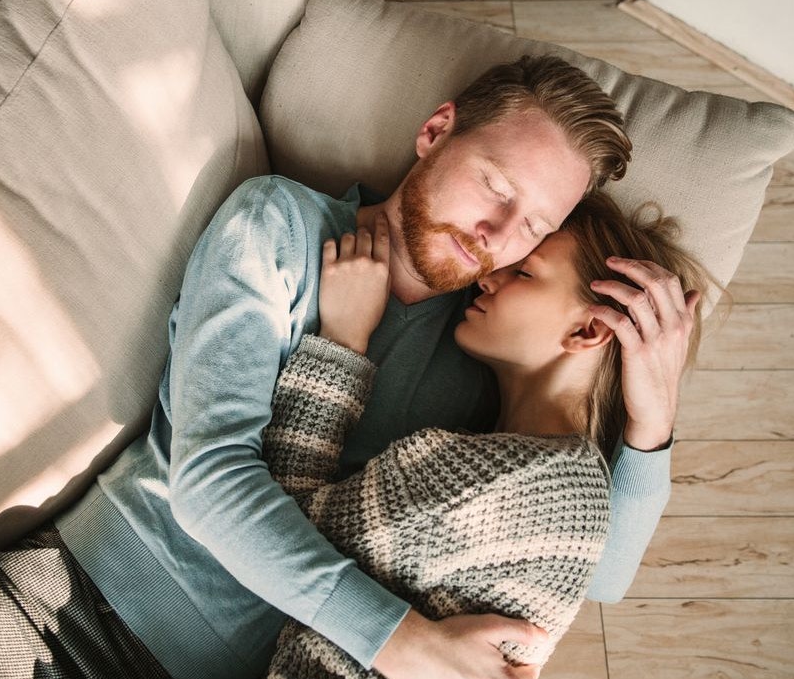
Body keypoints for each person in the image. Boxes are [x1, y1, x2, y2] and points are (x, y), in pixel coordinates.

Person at [0, 56, 685, 679]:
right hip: (72, 611)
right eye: (494, 186)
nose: (498, 235)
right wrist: (402, 644)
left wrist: (652, 415)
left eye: (536, 225)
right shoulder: (281, 229)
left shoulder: (487, 351)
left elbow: (591, 563)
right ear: (435, 134)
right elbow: (209, 481)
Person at [261, 192, 709, 678]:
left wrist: (343, 340)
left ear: (588, 330)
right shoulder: (573, 484)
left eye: (524, 273)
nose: (487, 276)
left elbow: (275, 534)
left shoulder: (500, 478)